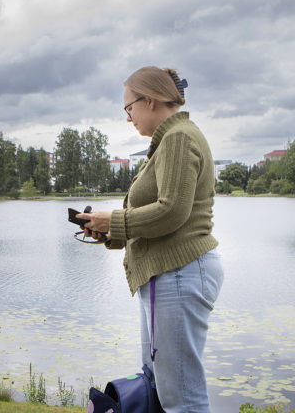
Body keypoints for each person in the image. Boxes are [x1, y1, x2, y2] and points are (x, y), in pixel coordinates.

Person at [78, 66, 224, 412]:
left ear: (150, 100)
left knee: (182, 397)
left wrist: (114, 219)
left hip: (179, 273)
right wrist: (109, 232)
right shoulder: (168, 141)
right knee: (161, 387)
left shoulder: (178, 138)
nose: (128, 118)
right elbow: (159, 218)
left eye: (129, 108)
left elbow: (173, 211)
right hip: (169, 274)